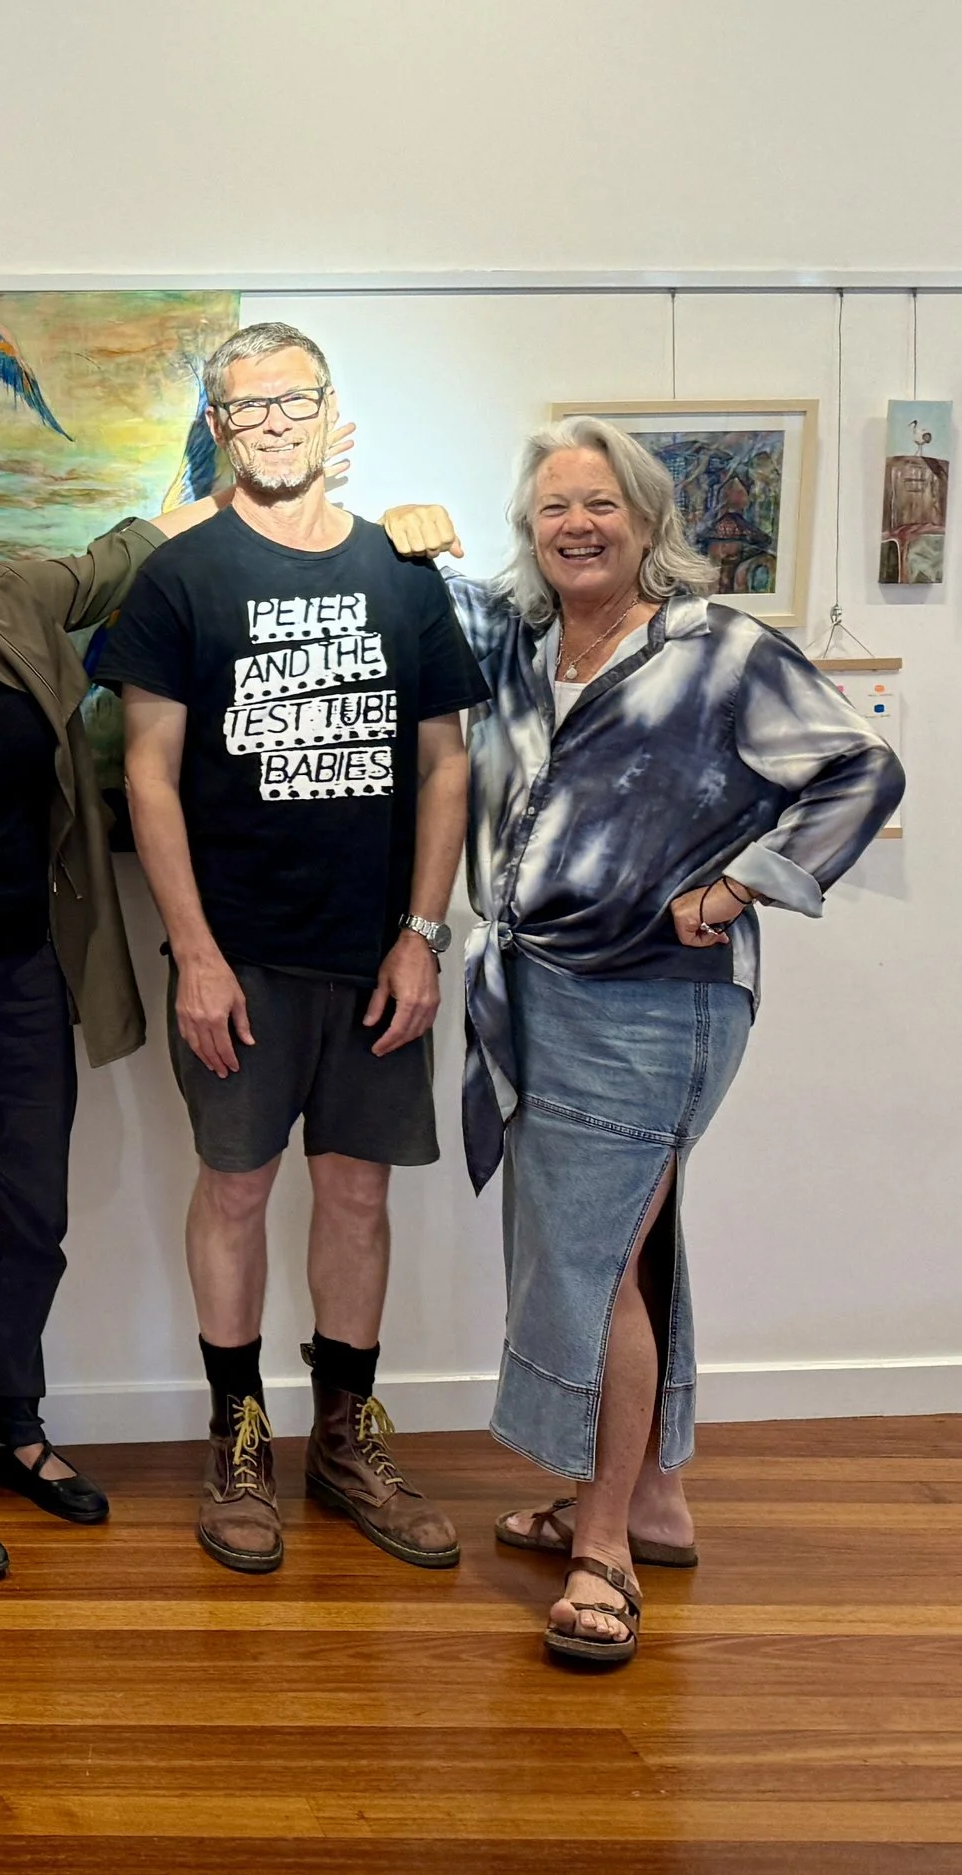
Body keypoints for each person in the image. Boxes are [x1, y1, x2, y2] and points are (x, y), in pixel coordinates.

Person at [0, 450, 460, 1581]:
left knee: (30, 1212)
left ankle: (9, 1425)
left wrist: (270, 479)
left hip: (29, 972)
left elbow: (129, 549)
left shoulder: (13, 600)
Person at [452, 418, 901, 1666]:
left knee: (590, 1261)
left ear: (649, 522)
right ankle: (648, 1501)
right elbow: (427, 603)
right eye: (554, 507)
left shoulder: (719, 649)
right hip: (537, 988)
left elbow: (861, 767)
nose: (576, 525)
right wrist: (410, 539)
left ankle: (600, 1549)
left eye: (600, 504)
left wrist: (739, 885)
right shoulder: (522, 645)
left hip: (656, 996)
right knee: (622, 1249)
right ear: (529, 528)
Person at [101, 321, 490, 1579]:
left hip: (376, 953)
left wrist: (422, 936)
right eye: (245, 407)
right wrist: (195, 954)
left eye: (291, 400)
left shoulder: (401, 569)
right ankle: (238, 1441)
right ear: (217, 427)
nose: (271, 424)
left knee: (359, 1193)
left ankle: (345, 1439)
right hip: (241, 958)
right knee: (234, 1188)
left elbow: (446, 764)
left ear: (331, 411)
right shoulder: (179, 576)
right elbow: (147, 775)